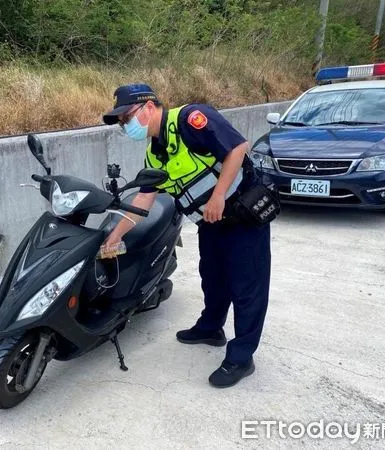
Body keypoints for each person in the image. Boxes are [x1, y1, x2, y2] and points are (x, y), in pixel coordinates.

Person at [101, 83, 271, 388]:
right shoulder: (154, 153)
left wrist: (219, 195)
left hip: (243, 214)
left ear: (149, 107)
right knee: (213, 278)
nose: (126, 126)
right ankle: (211, 328)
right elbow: (144, 198)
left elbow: (237, 148)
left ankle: (242, 357)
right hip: (211, 222)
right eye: (122, 122)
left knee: (247, 285)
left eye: (127, 117)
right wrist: (114, 236)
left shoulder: (192, 118)